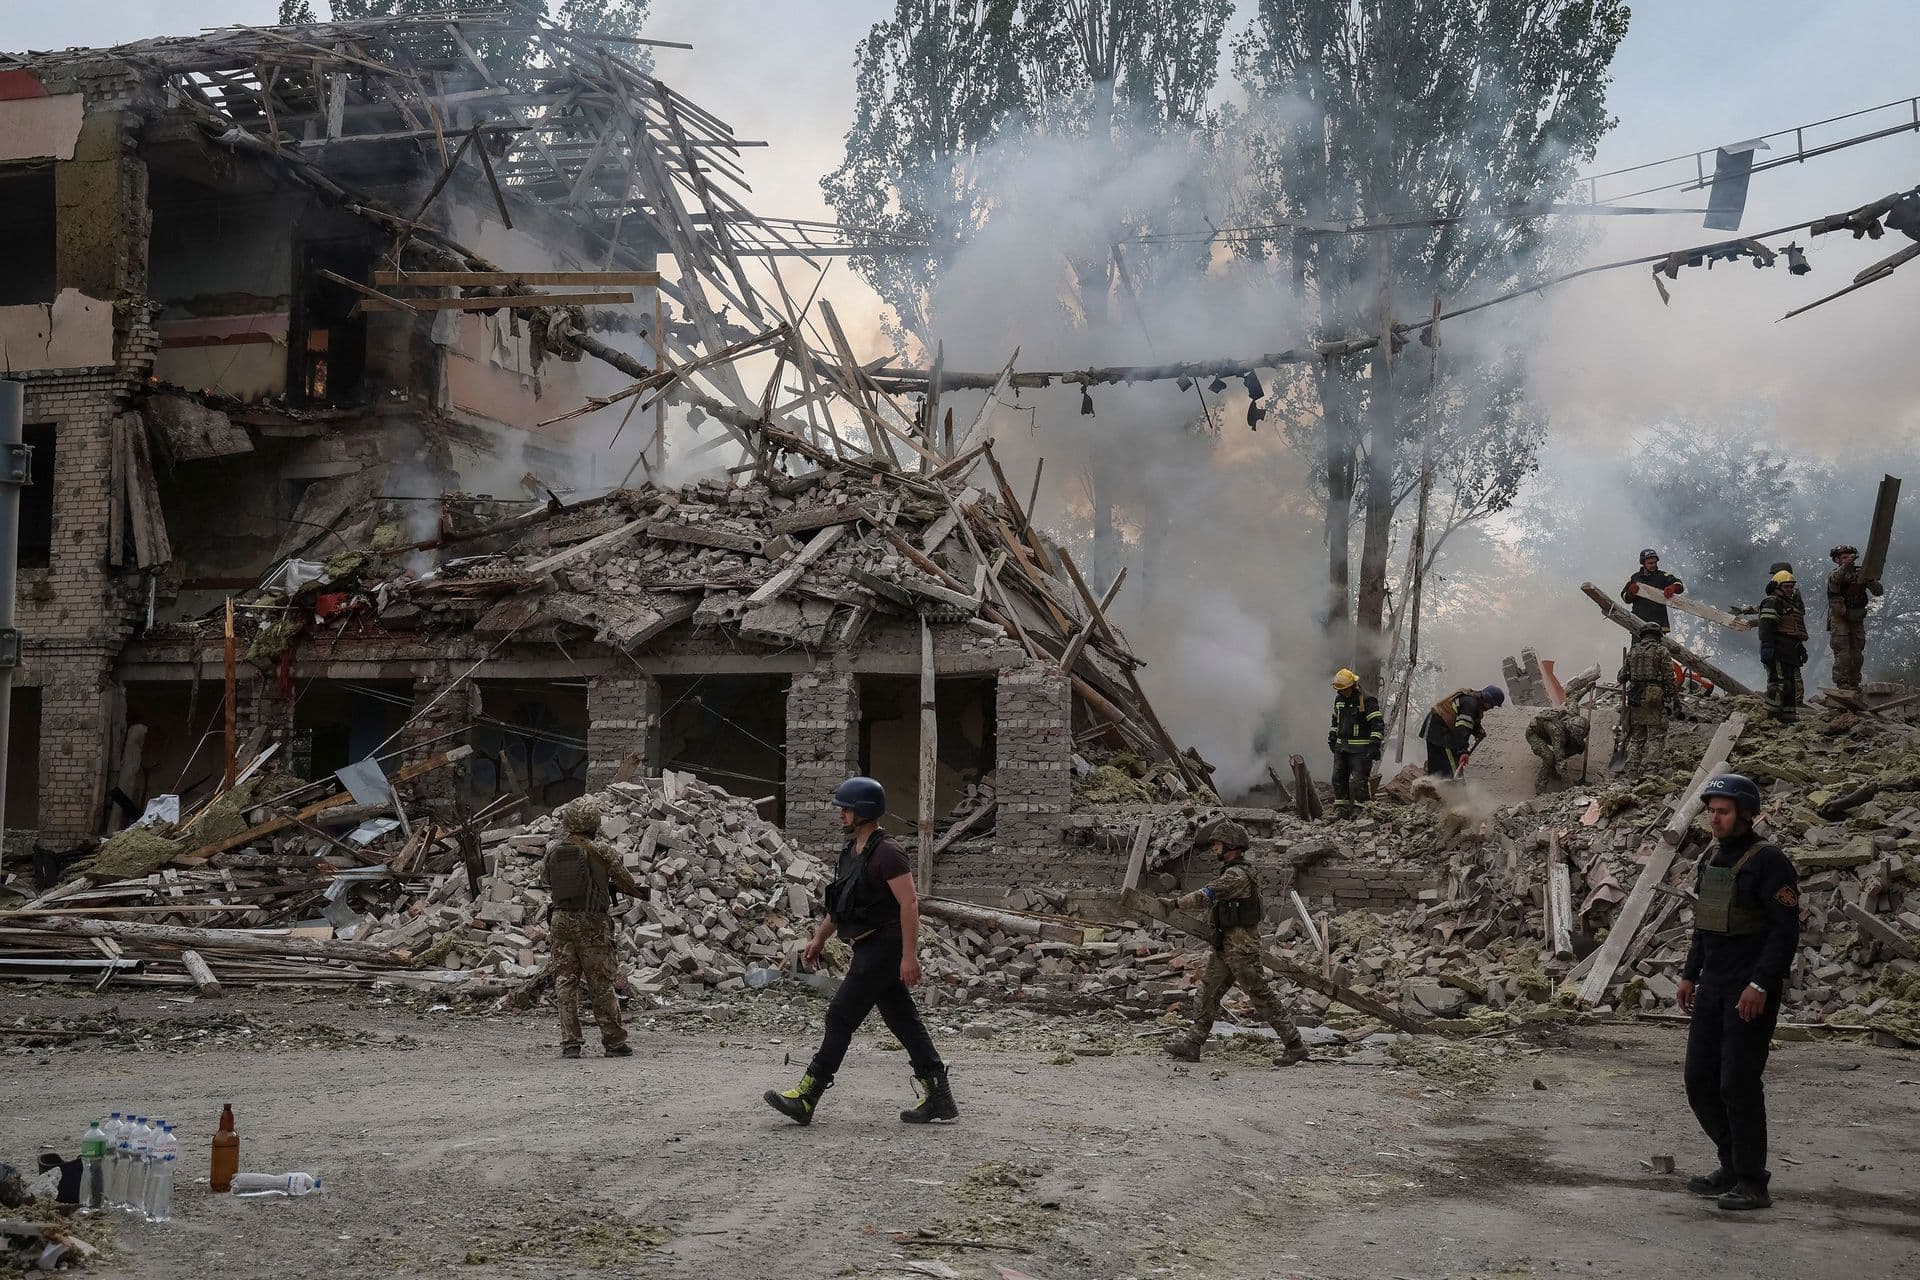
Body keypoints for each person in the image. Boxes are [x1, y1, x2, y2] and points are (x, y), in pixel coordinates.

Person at [764, 776, 955, 1126]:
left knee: (840, 1015)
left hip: (884, 946)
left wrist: (909, 956)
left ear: (864, 811)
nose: (841, 815)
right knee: (902, 1019)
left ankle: (808, 1095)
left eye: (847, 809)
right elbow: (842, 907)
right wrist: (819, 938)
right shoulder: (850, 853)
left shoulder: (888, 852)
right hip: (866, 944)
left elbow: (910, 903)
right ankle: (938, 1094)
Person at [1676, 773, 1800, 1212]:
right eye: (1711, 810)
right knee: (1698, 1081)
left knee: (1738, 1083)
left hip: (1749, 991)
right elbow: (1704, 923)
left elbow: (1784, 933)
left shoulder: (1770, 861)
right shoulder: (1712, 857)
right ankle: (1730, 1163)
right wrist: (1691, 974)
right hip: (1713, 986)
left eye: (1723, 811)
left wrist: (1761, 983)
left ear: (1746, 814)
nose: (1715, 817)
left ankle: (1751, 1181)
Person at [1159, 820, 1308, 1067]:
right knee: (1208, 992)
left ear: (1231, 846)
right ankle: (1192, 1044)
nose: (1215, 848)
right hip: (1227, 947)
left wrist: (1175, 904)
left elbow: (1206, 896)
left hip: (1240, 949)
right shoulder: (1234, 872)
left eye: (1218, 844)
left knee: (1260, 995)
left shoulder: (1235, 875)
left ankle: (1295, 1046)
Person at [543, 798, 641, 1059]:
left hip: (561, 922)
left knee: (565, 981)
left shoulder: (554, 850)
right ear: (594, 823)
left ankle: (571, 1043)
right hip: (592, 924)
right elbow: (628, 881)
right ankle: (614, 1042)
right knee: (601, 982)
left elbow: (545, 881)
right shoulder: (602, 850)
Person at [1618, 622, 1680, 776]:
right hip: (1653, 696)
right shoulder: (1661, 651)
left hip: (1635, 697)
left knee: (1637, 736)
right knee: (1656, 735)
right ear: (1658, 636)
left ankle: (1632, 771)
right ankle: (1650, 773)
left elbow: (1621, 677)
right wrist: (1675, 697)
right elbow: (1669, 678)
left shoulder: (1632, 652)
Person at [1326, 668, 1384, 819]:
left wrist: (1374, 744)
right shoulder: (1339, 700)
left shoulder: (1367, 700)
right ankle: (1341, 809)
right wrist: (1332, 736)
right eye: (1339, 690)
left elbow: (1377, 723)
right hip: (1342, 747)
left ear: (1352, 686)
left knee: (1359, 780)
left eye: (1344, 689)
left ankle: (1360, 809)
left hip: (1361, 749)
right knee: (1338, 778)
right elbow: (1335, 720)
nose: (1341, 692)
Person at [1826, 544, 1884, 691]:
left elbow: (1878, 592)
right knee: (1842, 651)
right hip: (1840, 618)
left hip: (1856, 617)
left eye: (1849, 557)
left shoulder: (1861, 573)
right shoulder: (1834, 574)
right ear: (1837, 560)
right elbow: (1835, 580)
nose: (1847, 560)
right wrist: (1845, 566)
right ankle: (1842, 683)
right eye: (1843, 557)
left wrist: (1870, 580)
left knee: (1857, 652)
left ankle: (1854, 682)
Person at [1756, 569, 1809, 721]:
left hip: (1790, 650)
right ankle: (1772, 717)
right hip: (1778, 649)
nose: (1790, 590)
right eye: (1786, 587)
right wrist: (1767, 646)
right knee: (1778, 683)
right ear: (1776, 587)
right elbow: (1766, 626)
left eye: (1791, 587)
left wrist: (1800, 648)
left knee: (1790, 685)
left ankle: (1788, 718)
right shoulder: (1772, 602)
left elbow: (1794, 630)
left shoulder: (1789, 605)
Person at [1418, 685, 1504, 778]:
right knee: (1451, 767)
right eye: (1492, 705)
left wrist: (1477, 730)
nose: (1491, 708)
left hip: (1436, 727)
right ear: (1488, 699)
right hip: (1439, 730)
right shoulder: (1471, 704)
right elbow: (1463, 728)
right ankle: (1448, 789)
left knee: (1444, 766)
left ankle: (1434, 787)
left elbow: (1468, 720)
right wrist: (1463, 751)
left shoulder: (1472, 702)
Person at [1622, 548, 1685, 633]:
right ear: (1643, 563)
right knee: (1638, 647)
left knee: (1659, 646)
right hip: (1638, 624)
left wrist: (1673, 587)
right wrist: (1630, 593)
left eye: (1655, 562)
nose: (1653, 565)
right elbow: (1624, 597)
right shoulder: (1635, 578)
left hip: (1659, 626)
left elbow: (1679, 584)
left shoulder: (1663, 576)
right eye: (1650, 563)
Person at [1524, 706, 1589, 787]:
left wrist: (1583, 692)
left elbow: (1573, 698)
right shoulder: (1557, 732)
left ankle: (1551, 767)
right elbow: (1560, 760)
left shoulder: (1574, 715)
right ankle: (1540, 785)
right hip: (1535, 734)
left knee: (1579, 746)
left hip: (1553, 733)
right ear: (1570, 730)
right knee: (1549, 758)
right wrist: (1569, 784)